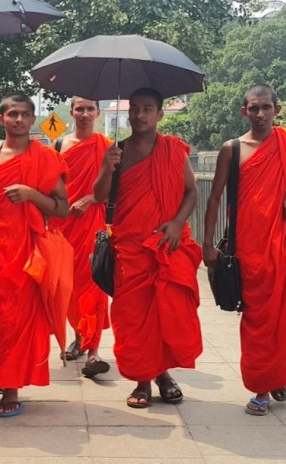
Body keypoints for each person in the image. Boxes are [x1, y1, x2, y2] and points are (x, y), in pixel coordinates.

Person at [202, 84, 286, 416]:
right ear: (244, 111)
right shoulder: (232, 149)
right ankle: (261, 388)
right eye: (253, 108)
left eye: (265, 108)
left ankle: (277, 376)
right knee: (257, 320)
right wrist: (207, 243)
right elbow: (214, 198)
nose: (259, 114)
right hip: (249, 250)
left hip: (285, 246)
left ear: (277, 110)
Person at [94, 87, 202, 409]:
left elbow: (191, 192)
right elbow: (100, 196)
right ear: (128, 113)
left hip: (168, 245)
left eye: (148, 108)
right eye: (135, 108)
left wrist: (175, 223)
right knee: (135, 317)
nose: (140, 115)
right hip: (131, 249)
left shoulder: (173, 151)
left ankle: (163, 374)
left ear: (159, 114)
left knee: (166, 314)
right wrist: (105, 167)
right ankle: (143, 380)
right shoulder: (118, 152)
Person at [0, 92, 69, 417]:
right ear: (0, 119)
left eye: (24, 114)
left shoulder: (46, 158)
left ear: (33, 119)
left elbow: (62, 208)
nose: (18, 119)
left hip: (29, 255)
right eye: (11, 114)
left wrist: (32, 195)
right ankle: (5, 371)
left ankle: (10, 389)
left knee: (18, 322)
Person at [52, 97, 114, 379]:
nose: (85, 113)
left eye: (90, 109)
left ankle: (93, 352)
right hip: (64, 225)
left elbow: (118, 190)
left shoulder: (108, 146)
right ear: (72, 112)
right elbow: (51, 186)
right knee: (70, 288)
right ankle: (78, 338)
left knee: (93, 285)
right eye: (80, 109)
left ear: (98, 113)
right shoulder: (59, 146)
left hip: (93, 223)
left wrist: (90, 198)